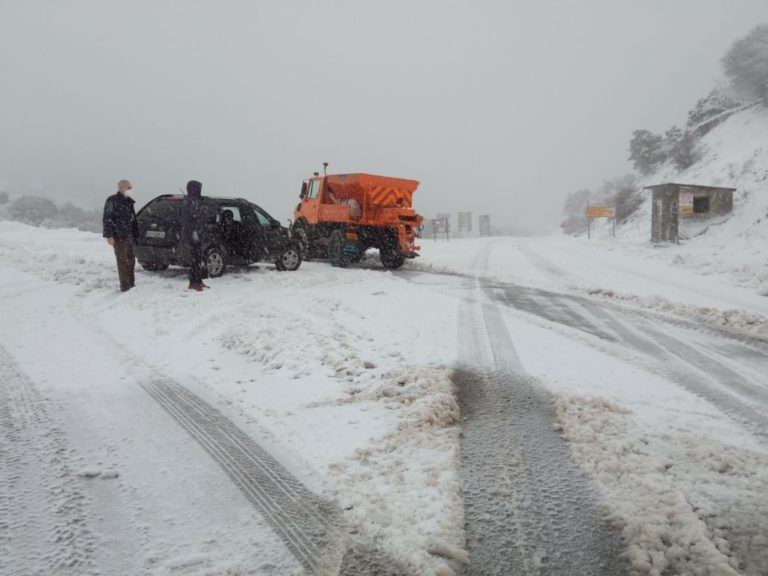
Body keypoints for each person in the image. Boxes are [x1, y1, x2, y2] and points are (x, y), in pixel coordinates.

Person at [103, 179, 139, 292]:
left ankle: (131, 283)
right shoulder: (112, 200)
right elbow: (107, 218)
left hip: (129, 236)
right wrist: (109, 235)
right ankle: (125, 286)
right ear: (121, 188)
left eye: (131, 188)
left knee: (131, 260)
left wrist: (135, 234)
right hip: (118, 236)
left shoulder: (129, 201)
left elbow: (133, 220)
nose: (130, 190)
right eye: (128, 188)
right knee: (122, 261)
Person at [182, 179, 207, 291]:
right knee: (195, 260)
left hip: (197, 233)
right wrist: (194, 232)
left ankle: (198, 281)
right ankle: (193, 282)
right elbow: (191, 219)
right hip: (194, 234)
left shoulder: (194, 200)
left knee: (198, 259)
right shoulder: (191, 201)